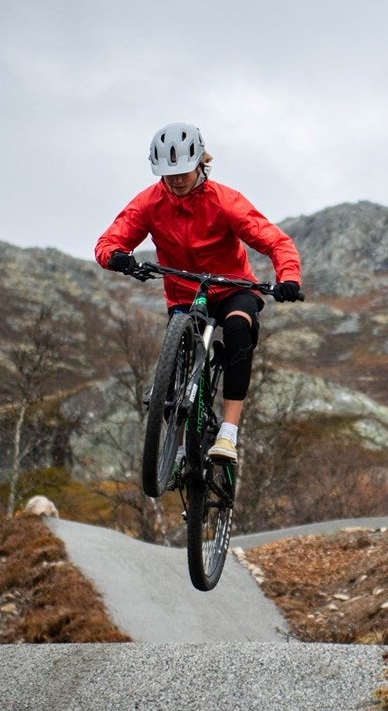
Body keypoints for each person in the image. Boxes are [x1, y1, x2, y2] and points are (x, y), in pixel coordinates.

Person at [96, 122, 303, 462]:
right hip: (183, 295)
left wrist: (289, 278)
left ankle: (228, 434)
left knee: (238, 329)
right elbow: (109, 242)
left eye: (183, 171)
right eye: (167, 173)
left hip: (233, 287)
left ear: (199, 164)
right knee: (173, 369)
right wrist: (118, 257)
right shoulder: (149, 203)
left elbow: (275, 241)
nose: (176, 180)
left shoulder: (225, 201)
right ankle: (176, 449)